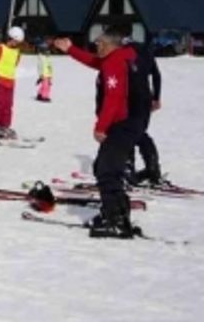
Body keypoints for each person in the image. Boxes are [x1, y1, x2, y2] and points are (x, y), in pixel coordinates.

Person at [54, 31, 151, 239]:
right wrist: (70, 49)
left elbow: (113, 98)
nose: (96, 45)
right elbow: (95, 62)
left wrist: (101, 127)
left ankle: (115, 221)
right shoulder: (122, 57)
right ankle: (118, 214)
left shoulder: (114, 62)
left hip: (123, 123)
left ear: (109, 44)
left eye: (98, 42)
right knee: (106, 167)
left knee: (107, 171)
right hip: (132, 122)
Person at [123, 37, 163, 186]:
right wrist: (156, 97)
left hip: (129, 98)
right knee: (140, 132)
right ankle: (153, 167)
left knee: (126, 132)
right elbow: (156, 75)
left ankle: (128, 169)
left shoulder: (123, 52)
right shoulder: (146, 51)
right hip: (145, 98)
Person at [0, 27, 26, 140]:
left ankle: (4, 125)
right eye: (14, 41)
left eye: (18, 42)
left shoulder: (17, 52)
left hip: (10, 81)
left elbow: (14, 65)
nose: (15, 44)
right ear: (9, 38)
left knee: (8, 105)